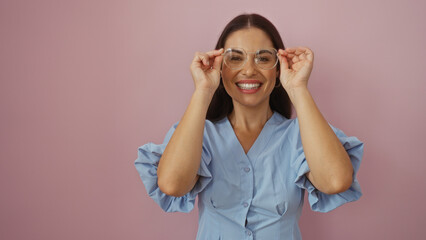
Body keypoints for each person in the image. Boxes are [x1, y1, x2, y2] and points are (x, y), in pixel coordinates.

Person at [134, 13, 364, 240]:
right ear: (220, 67)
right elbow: (172, 185)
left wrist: (298, 88)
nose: (249, 70)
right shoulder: (198, 135)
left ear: (277, 68)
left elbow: (336, 181)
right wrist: (203, 90)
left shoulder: (300, 136)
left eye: (263, 58)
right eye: (235, 58)